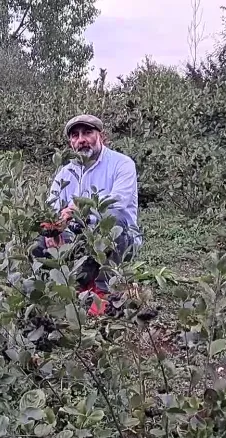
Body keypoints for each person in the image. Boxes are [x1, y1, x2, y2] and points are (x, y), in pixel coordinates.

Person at [37, 114, 142, 315]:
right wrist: (53, 229)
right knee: (40, 240)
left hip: (118, 241)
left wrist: (78, 209)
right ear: (70, 142)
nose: (81, 139)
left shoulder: (122, 164)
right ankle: (72, 285)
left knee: (114, 219)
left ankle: (105, 291)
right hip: (80, 242)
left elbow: (118, 203)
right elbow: (52, 208)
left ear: (100, 135)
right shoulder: (66, 172)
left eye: (87, 132)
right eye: (75, 135)